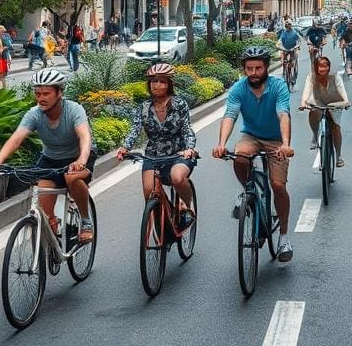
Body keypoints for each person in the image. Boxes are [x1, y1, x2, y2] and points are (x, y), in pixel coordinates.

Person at [0, 69, 96, 242]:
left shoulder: (74, 110)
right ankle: (51, 233)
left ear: (59, 93)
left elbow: (84, 136)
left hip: (77, 157)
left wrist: (82, 159)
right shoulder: (34, 113)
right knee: (45, 208)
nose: (41, 98)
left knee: (72, 178)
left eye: (46, 93)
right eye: (37, 94)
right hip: (51, 159)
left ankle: (85, 220)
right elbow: (16, 139)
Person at [213, 46, 295, 262]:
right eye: (249, 69)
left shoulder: (278, 86)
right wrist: (221, 143)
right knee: (240, 157)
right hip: (250, 135)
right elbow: (230, 115)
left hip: (276, 139)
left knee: (277, 185)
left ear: (266, 67)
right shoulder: (239, 88)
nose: (254, 73)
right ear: (244, 70)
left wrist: (285, 144)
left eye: (258, 68)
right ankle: (249, 193)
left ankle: (284, 236)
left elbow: (283, 114)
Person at [117, 63, 197, 223]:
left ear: (169, 84)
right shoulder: (143, 107)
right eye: (154, 81)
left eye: (162, 81)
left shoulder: (179, 104)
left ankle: (187, 206)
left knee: (177, 178)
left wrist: (189, 148)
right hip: (153, 156)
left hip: (178, 154)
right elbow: (135, 129)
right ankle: (165, 227)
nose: (157, 85)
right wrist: (125, 147)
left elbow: (187, 129)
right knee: (149, 193)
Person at [299, 55, 349, 166]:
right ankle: (315, 135)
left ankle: (339, 156)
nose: (323, 69)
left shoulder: (335, 77)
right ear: (316, 68)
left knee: (336, 126)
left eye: (325, 66)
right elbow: (306, 91)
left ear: (329, 67)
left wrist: (346, 102)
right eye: (320, 66)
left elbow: (343, 93)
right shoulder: (312, 77)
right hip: (319, 103)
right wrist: (303, 104)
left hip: (335, 104)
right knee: (313, 111)